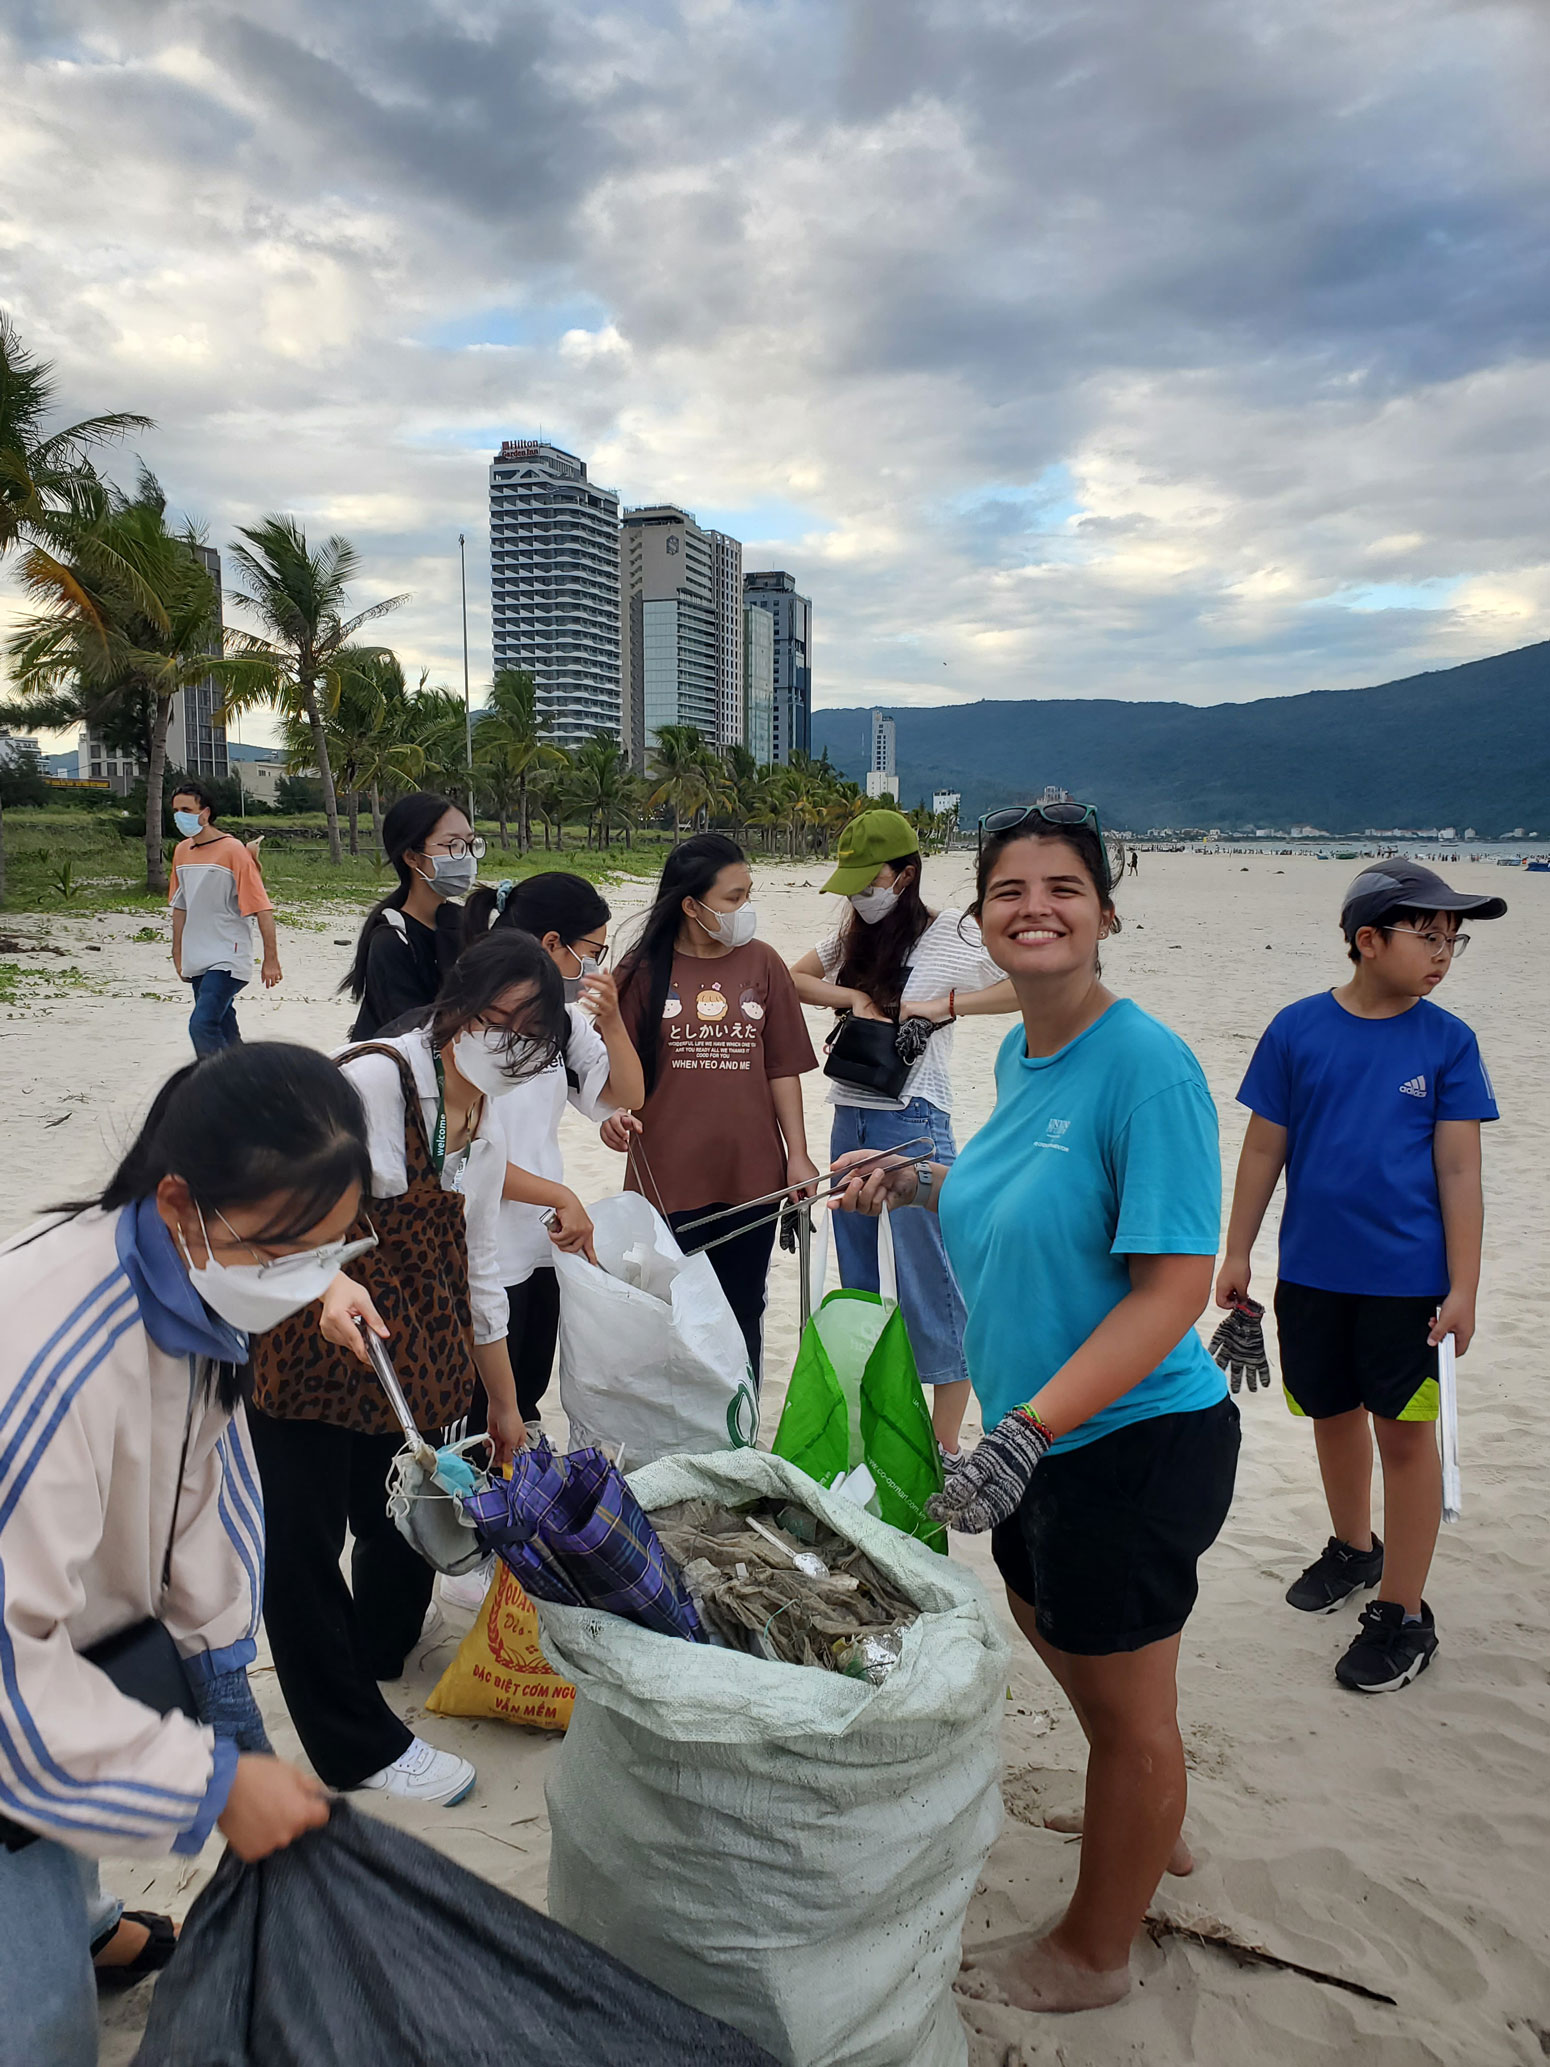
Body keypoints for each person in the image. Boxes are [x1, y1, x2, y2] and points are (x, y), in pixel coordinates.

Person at [832, 803, 1237, 2015]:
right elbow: (1023, 1187)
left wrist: (1025, 1429)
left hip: (1127, 1437)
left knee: (1126, 1703)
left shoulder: (1146, 1066)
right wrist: (916, 1178)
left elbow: (1171, 1287)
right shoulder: (1023, 1054)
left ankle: (1095, 1952)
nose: (1035, 908)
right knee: (1040, 1616)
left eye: (1064, 888)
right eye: (1009, 890)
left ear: (1105, 913)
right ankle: (1140, 1797)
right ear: (979, 918)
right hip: (1037, 1437)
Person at [0, 1042, 390, 2067]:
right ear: (181, 1204)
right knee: (37, 2028)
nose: (319, 1265)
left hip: (80, 1621)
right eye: (291, 1247)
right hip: (15, 1669)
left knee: (89, 1753)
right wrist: (208, 1784)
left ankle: (87, 1923)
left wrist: (314, 1284)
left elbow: (263, 1255)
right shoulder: (51, 1364)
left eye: (337, 1239)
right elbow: (9, 1673)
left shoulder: (188, 1261)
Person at [246, 930, 556, 1808]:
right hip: (312, 1342)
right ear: (456, 1006)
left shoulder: (484, 1127)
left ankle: (373, 1659)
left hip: (413, 1358)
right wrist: (324, 1276)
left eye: (534, 1037)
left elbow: (481, 1273)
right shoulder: (372, 1079)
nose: (513, 1046)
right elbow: (278, 1200)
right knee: (302, 1550)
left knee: (403, 1520)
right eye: (501, 1022)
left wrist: (505, 1406)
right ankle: (355, 1745)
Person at [1217, 859, 1505, 1692]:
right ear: (1367, 940)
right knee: (1330, 1412)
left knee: (1404, 1435)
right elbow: (1265, 1148)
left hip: (1407, 1286)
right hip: (1313, 1274)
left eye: (1455, 940)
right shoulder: (1297, 1030)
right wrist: (1238, 1251)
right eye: (1429, 935)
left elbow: (1459, 1172)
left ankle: (1404, 1611)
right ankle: (1353, 1546)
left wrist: (1465, 1287)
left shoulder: (1449, 1042)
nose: (1444, 952)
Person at [789, 807, 1015, 1458]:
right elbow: (792, 976)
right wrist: (854, 1001)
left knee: (934, 1283)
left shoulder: (952, 934)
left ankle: (942, 1448)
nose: (861, 895)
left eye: (870, 881)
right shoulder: (851, 937)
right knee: (857, 1279)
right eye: (853, 883)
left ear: (905, 874)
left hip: (914, 1119)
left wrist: (941, 1007)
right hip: (849, 1113)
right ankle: (869, 1424)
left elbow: (1026, 987)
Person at [605, 835, 818, 1375]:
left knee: (742, 1307)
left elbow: (781, 1068)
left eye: (749, 894)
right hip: (665, 1176)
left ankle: (738, 1431)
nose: (745, 909)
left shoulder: (764, 964)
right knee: (669, 1311)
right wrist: (612, 1116)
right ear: (691, 905)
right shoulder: (641, 971)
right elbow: (611, 1079)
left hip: (751, 1175)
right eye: (733, 897)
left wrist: (797, 1154)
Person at [459, 873, 644, 1441]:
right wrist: (560, 1195)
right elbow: (468, 1155)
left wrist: (611, 1021)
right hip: (482, 1241)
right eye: (592, 952)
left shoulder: (562, 1024)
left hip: (542, 1242)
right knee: (477, 1406)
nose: (596, 966)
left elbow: (629, 1095)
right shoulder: (475, 1027)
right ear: (551, 944)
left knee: (528, 1392)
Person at [340, 792, 484, 1040]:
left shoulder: (461, 922)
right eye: (453, 845)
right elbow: (414, 1033)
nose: (466, 856)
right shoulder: (393, 939)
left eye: (471, 844)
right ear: (412, 857)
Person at [168, 780, 280, 1055]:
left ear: (205, 813)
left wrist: (271, 959)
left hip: (228, 955)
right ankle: (247, 1081)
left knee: (202, 1024)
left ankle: (214, 1085)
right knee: (223, 1025)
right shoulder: (182, 851)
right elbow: (180, 905)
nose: (179, 816)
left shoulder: (233, 851)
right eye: (175, 810)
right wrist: (177, 951)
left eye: (186, 809)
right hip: (197, 956)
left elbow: (262, 907)